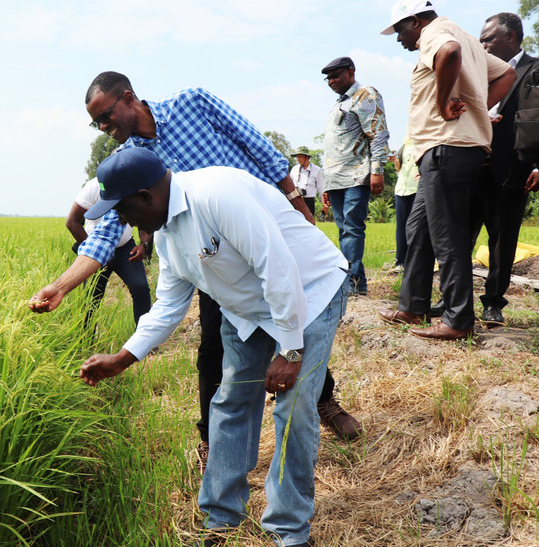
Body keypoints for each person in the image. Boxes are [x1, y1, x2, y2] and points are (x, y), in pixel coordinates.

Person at [29, 72, 361, 461]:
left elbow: (259, 148)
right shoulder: (131, 163)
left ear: (128, 97)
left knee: (296, 328)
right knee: (215, 350)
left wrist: (298, 206)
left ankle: (321, 399)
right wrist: (62, 286)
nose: (104, 128)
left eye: (106, 116)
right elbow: (106, 235)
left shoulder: (193, 102)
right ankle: (214, 440)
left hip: (258, 232)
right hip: (206, 255)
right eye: (96, 123)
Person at [79, 147, 348, 547]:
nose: (121, 219)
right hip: (248, 311)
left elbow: (278, 267)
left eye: (122, 208)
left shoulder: (216, 195)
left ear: (146, 196)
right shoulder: (168, 232)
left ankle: (289, 531)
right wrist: (123, 357)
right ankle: (220, 519)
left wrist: (290, 350)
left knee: (293, 407)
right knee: (231, 399)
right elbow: (170, 305)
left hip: (309, 293)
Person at [378, 0, 516, 341]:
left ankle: (458, 320)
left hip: (447, 146)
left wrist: (442, 103)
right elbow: (506, 73)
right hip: (444, 150)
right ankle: (414, 305)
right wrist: (479, 109)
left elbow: (449, 51)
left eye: (399, 30)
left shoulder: (438, 33)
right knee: (419, 229)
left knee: (447, 235)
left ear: (415, 21)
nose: (398, 40)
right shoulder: (467, 36)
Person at [469, 12, 539, 327]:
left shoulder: (535, 69)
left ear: (510, 37)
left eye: (487, 39)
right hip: (470, 163)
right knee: (459, 235)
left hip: (513, 166)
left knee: (503, 238)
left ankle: (493, 303)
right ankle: (451, 300)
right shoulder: (476, 71)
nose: (481, 45)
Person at [320, 56, 390, 297]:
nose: (331, 81)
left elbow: (378, 134)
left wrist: (377, 170)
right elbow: (333, 146)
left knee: (352, 228)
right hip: (336, 178)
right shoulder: (338, 104)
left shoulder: (365, 95)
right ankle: (356, 282)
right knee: (342, 229)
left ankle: (351, 282)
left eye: (335, 76)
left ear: (351, 72)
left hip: (357, 175)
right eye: (328, 78)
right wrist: (325, 184)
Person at [66, 177, 152, 330]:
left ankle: (146, 339)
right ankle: (86, 341)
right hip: (96, 247)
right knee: (91, 296)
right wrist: (93, 250)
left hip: (126, 248)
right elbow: (72, 222)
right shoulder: (93, 187)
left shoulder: (134, 183)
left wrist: (142, 244)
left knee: (141, 288)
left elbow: (144, 215)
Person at [391, 133, 420, 272]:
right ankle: (400, 261)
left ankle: (414, 262)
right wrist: (394, 161)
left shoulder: (425, 142)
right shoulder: (405, 145)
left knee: (414, 226)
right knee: (401, 227)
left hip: (417, 187)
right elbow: (399, 167)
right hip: (401, 188)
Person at [289, 146, 325, 217]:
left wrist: (324, 204)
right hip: (296, 199)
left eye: (300, 157)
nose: (298, 159)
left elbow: (321, 187)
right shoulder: (294, 169)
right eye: (297, 157)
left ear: (307, 157)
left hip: (309, 201)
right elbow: (290, 185)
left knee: (309, 223)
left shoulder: (317, 170)